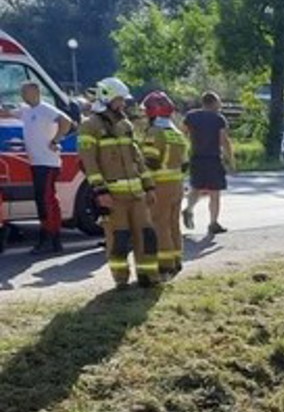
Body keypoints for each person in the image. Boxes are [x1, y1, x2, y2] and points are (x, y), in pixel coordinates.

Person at [79, 77, 160, 289]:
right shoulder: (89, 126)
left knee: (147, 235)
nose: (123, 104)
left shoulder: (126, 125)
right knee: (119, 239)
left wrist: (149, 186)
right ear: (105, 98)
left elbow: (138, 158)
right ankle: (121, 281)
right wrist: (100, 191)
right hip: (113, 197)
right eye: (119, 100)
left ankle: (148, 277)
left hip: (137, 195)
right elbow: (89, 162)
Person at [0, 81, 74, 253]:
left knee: (47, 201)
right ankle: (50, 238)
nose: (22, 95)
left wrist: (55, 140)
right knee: (42, 201)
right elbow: (6, 113)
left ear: (35, 92)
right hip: (36, 162)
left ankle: (51, 238)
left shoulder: (45, 109)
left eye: (25, 92)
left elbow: (66, 121)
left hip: (48, 163)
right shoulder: (26, 110)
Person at [140, 91, 186, 279]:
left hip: (159, 185)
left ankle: (165, 265)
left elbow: (149, 162)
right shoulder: (176, 133)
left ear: (152, 112)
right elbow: (184, 163)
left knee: (159, 224)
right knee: (173, 223)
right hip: (177, 184)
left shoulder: (154, 133)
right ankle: (176, 260)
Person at [181, 91, 234, 236]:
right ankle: (213, 223)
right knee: (214, 193)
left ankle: (189, 209)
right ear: (214, 103)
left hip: (196, 157)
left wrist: (184, 152)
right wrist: (231, 160)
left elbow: (182, 134)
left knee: (196, 187)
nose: (220, 105)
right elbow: (224, 140)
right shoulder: (218, 119)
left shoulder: (191, 116)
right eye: (219, 102)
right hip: (213, 158)